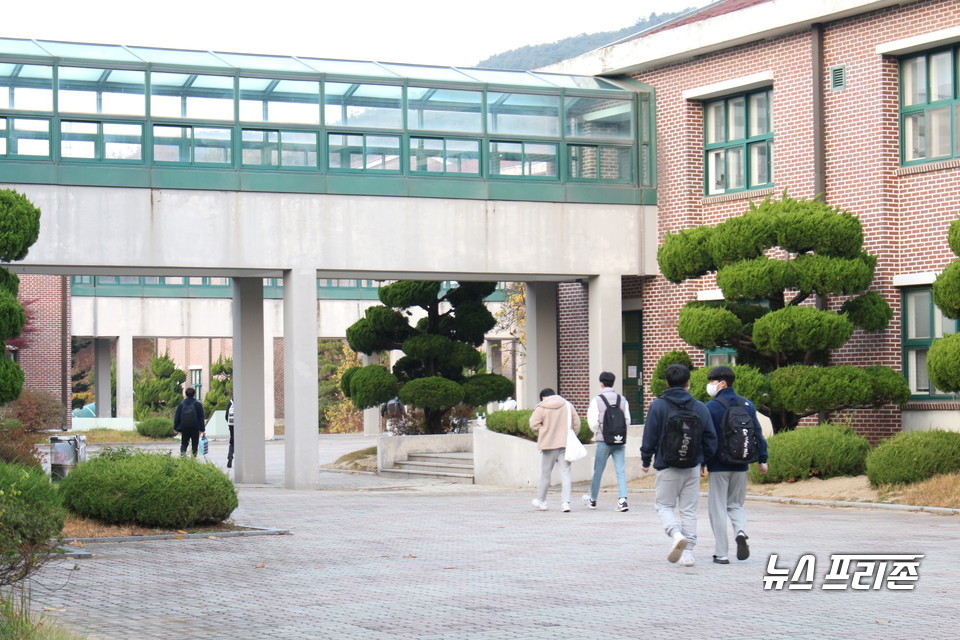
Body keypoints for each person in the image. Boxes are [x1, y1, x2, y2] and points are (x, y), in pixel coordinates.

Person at [640, 364, 717, 567]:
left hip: (667, 464)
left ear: (666, 382)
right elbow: (710, 437)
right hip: (692, 464)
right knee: (689, 510)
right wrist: (704, 461)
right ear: (688, 383)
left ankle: (675, 534)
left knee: (664, 505)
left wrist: (646, 459)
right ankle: (688, 553)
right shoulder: (700, 407)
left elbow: (650, 434)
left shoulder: (658, 405)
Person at [704, 366, 769, 564]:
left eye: (713, 381)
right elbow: (757, 433)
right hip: (742, 464)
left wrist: (703, 462)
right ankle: (740, 531)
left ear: (722, 383)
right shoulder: (747, 404)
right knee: (735, 505)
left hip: (718, 464)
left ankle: (721, 553)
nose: (711, 385)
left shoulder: (711, 407)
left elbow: (707, 437)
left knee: (717, 508)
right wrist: (763, 459)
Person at [581, 371, 631, 512]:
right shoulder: (622, 400)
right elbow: (627, 420)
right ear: (613, 383)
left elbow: (593, 422)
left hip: (603, 441)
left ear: (601, 384)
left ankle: (593, 499)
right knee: (620, 470)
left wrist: (600, 432)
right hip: (619, 440)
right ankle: (622, 500)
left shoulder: (597, 400)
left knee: (598, 470)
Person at [529, 388, 580, 512]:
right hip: (565, 444)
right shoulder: (568, 405)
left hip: (548, 444)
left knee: (546, 474)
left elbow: (533, 424)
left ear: (543, 397)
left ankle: (541, 500)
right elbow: (577, 423)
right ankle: (566, 503)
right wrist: (572, 436)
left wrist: (542, 432)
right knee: (566, 474)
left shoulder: (541, 407)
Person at [174, 387, 206, 457]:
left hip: (184, 427)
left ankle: (183, 456)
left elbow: (177, 417)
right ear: (194, 394)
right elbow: (201, 418)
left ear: (185, 394)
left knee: (184, 443)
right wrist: (202, 429)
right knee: (195, 444)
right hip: (195, 427)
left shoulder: (181, 404)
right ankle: (193, 459)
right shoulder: (198, 404)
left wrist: (176, 428)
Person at [225, 397, 235, 468]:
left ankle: (230, 456)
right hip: (241, 425)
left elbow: (226, 416)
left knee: (232, 442)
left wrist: (229, 425)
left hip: (232, 425)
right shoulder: (243, 401)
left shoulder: (231, 402)